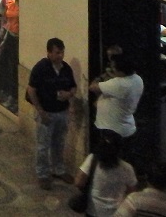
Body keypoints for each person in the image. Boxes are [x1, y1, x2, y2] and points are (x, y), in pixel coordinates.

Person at [27, 37, 78, 189]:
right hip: (47, 112)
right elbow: (31, 90)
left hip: (61, 112)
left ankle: (59, 169)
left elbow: (73, 87)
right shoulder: (41, 68)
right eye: (57, 53)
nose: (60, 56)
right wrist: (40, 111)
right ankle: (42, 173)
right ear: (49, 53)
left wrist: (68, 95)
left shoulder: (66, 68)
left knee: (59, 143)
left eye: (62, 52)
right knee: (43, 145)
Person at [91, 51, 144, 160]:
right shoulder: (137, 79)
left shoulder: (119, 84)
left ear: (122, 71)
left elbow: (93, 87)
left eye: (114, 68)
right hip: (126, 128)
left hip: (112, 130)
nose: (112, 69)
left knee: (110, 162)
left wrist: (103, 77)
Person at [74, 130, 137, 216]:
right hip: (117, 213)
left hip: (94, 210)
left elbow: (78, 182)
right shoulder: (127, 168)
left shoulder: (92, 160)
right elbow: (131, 193)